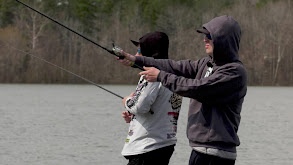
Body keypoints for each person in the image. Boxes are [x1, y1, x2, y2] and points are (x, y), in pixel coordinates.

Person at [118, 15, 247, 165]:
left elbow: (196, 88)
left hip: (216, 154)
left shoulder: (233, 72)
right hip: (200, 150)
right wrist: (135, 60)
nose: (204, 39)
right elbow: (175, 67)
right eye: (204, 35)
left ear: (224, 39)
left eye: (209, 36)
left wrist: (160, 76)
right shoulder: (206, 63)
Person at [120, 32, 183, 165]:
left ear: (151, 53)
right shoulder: (172, 72)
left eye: (139, 51)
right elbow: (160, 109)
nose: (136, 55)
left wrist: (127, 101)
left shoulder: (152, 75)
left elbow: (140, 107)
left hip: (148, 149)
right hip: (164, 144)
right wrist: (133, 117)